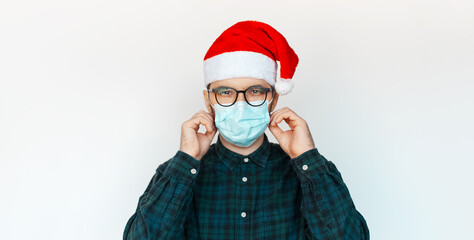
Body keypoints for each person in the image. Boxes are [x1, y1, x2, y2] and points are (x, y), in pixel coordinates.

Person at [123, 20, 369, 240]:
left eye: (255, 91)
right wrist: (187, 160)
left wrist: (305, 157)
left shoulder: (310, 172)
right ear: (209, 101)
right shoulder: (176, 173)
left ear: (272, 100)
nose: (240, 104)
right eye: (226, 92)